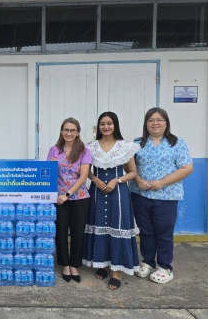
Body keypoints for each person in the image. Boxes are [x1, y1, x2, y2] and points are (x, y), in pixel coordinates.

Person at [129, 108, 193, 284]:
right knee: (146, 231)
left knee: (163, 233)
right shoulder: (137, 143)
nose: (155, 123)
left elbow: (187, 168)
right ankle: (148, 262)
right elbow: (129, 167)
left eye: (159, 120)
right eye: (151, 120)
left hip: (167, 196)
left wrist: (162, 182)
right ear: (146, 123)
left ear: (166, 122)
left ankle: (165, 267)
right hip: (140, 194)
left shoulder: (177, 143)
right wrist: (139, 180)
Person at [82, 112, 140, 290]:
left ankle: (117, 272)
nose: (105, 127)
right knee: (99, 225)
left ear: (115, 125)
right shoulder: (90, 147)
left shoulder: (125, 146)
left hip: (119, 192)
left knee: (118, 226)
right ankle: (104, 264)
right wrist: (94, 179)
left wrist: (116, 180)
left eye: (109, 123)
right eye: (102, 124)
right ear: (98, 127)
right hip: (97, 192)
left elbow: (132, 172)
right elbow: (86, 170)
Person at [47, 117, 91, 283]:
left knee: (78, 232)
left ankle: (75, 265)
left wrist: (67, 195)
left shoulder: (84, 151)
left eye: (73, 130)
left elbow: (83, 177)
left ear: (78, 132)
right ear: (61, 131)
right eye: (66, 129)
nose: (69, 133)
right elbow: (47, 175)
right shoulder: (54, 150)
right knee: (60, 231)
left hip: (79, 197)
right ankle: (65, 265)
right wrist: (50, 166)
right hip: (58, 198)